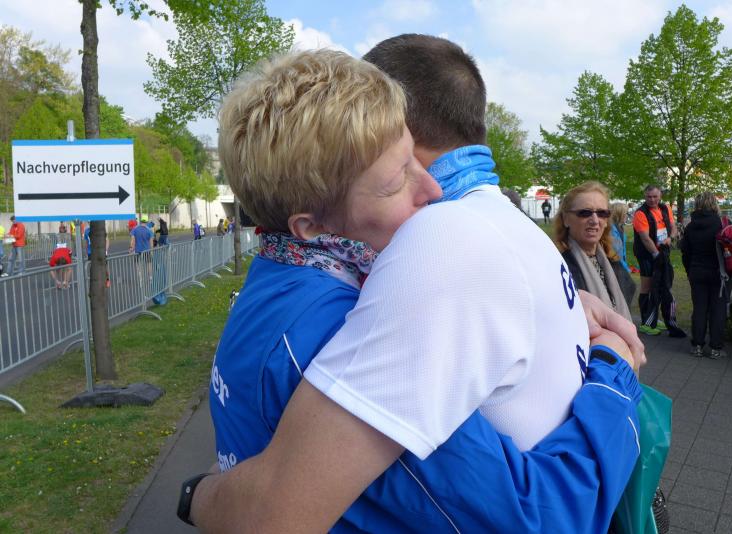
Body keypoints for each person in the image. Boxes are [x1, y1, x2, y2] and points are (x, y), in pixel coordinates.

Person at [189, 43, 642, 532]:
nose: (432, 190)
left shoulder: (274, 279)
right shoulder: (334, 333)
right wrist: (613, 368)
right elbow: (541, 517)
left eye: (415, 161)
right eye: (395, 182)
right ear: (311, 226)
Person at [555, 182, 636, 319]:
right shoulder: (557, 269)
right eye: (585, 213)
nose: (594, 220)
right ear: (565, 219)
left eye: (602, 213)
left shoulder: (613, 262)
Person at [632, 185, 686, 337]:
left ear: (660, 195)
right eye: (649, 197)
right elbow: (645, 238)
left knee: (662, 285)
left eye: (655, 196)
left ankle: (654, 319)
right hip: (647, 255)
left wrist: (670, 238)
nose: (652, 200)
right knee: (647, 286)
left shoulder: (665, 208)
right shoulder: (641, 213)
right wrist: (656, 255)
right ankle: (646, 322)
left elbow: (673, 226)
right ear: (645, 196)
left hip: (663, 252)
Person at [681, 192, 728, 359]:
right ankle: (715, 348)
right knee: (718, 310)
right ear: (714, 204)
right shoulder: (721, 224)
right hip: (718, 272)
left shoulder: (690, 226)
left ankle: (697, 346)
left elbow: (685, 252)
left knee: (699, 309)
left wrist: (689, 271)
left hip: (697, 271)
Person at [610, 202, 637, 273]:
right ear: (619, 215)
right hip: (616, 268)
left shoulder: (619, 227)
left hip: (620, 267)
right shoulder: (612, 230)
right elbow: (616, 253)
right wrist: (625, 269)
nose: (627, 216)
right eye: (626, 213)